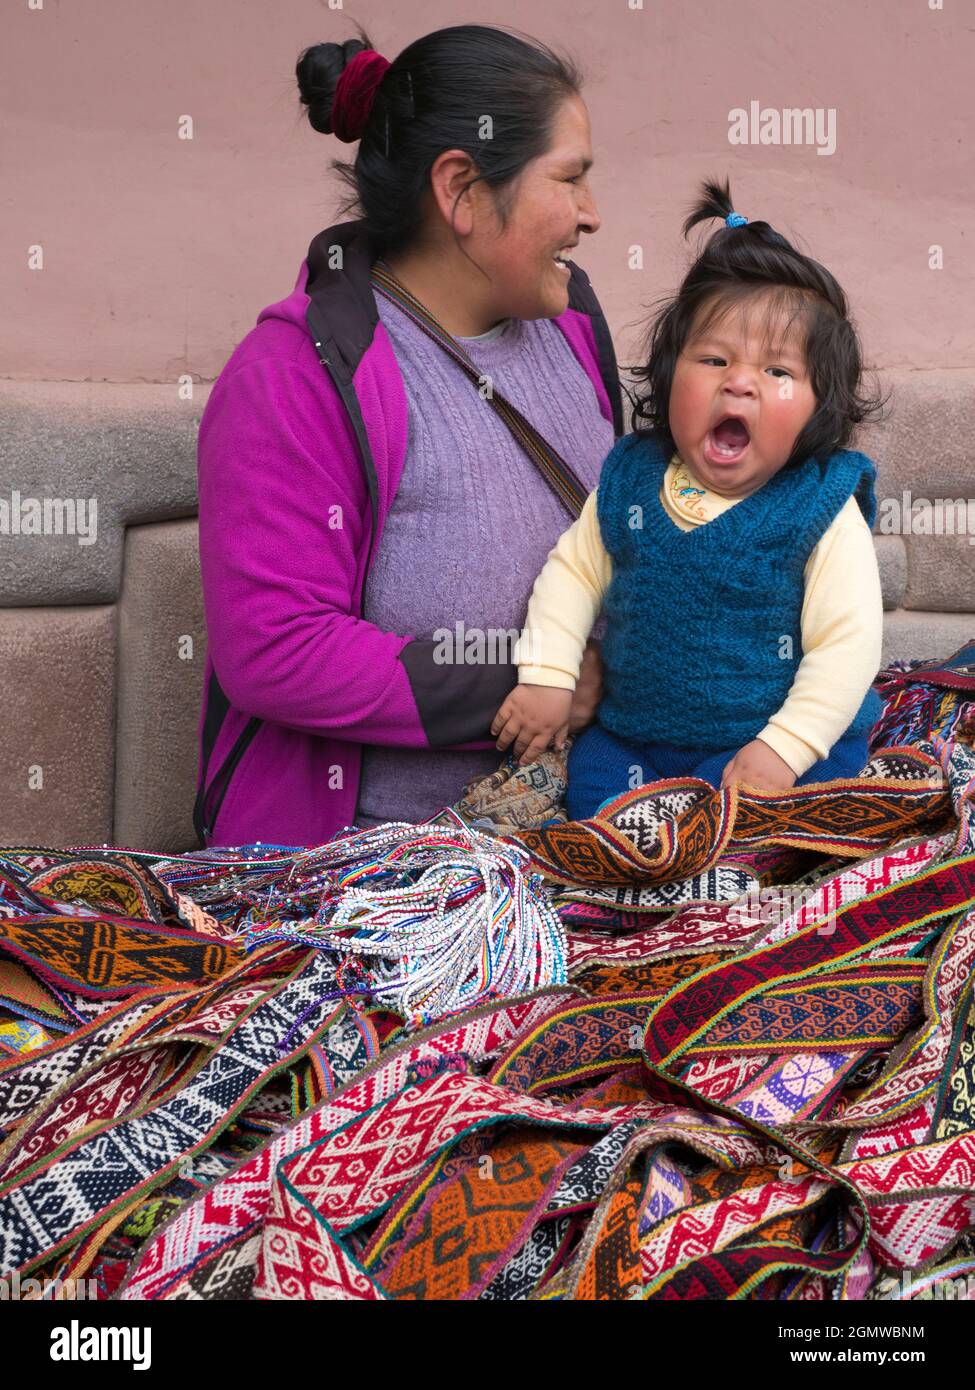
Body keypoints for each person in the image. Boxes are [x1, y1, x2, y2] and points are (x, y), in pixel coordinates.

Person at [193, 24, 624, 847]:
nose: (591, 216)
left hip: (580, 835)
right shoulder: (293, 376)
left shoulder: (571, 326)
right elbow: (276, 649)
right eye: (568, 180)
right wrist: (539, 681)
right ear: (461, 189)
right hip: (376, 872)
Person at [492, 178, 887, 821]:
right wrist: (548, 677)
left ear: (822, 406)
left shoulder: (818, 504)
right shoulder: (633, 478)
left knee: (777, 816)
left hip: (764, 746)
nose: (739, 383)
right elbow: (573, 573)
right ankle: (636, 874)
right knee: (597, 809)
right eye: (712, 359)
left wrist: (784, 748)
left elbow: (848, 645)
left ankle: (732, 872)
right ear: (671, 372)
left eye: (778, 372)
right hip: (633, 740)